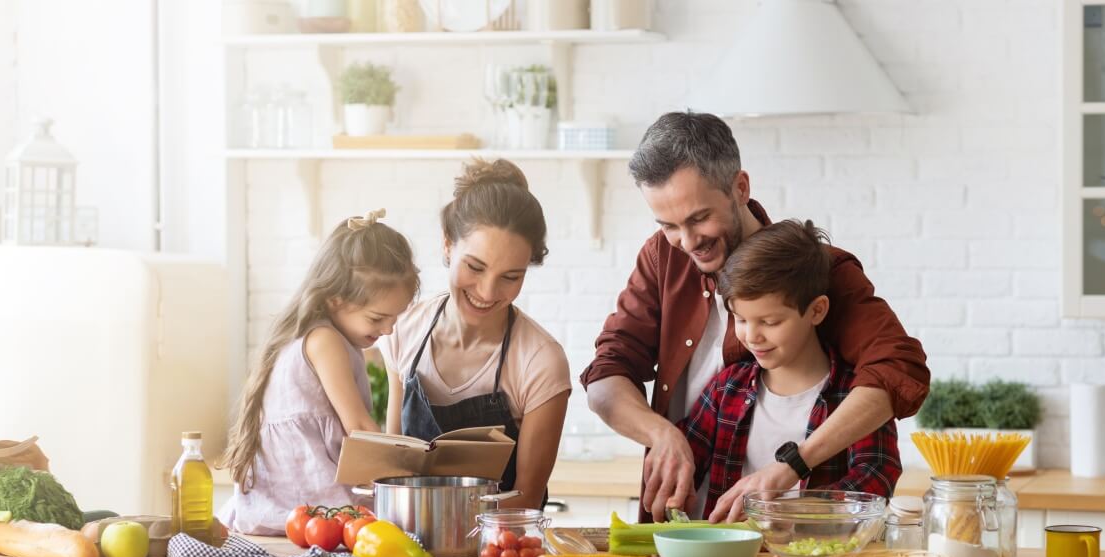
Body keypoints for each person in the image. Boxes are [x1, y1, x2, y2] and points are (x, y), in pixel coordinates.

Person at [581, 112, 929, 522]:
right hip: (693, 528)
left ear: (740, 187)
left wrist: (793, 468)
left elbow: (898, 368)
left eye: (698, 218)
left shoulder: (816, 270)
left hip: (799, 540)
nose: (687, 242)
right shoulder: (663, 257)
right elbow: (606, 374)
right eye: (668, 225)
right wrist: (661, 434)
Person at [679, 219, 901, 522]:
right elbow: (685, 463)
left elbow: (876, 477)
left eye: (770, 322)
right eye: (740, 319)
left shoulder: (855, 396)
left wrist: (787, 512)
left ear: (817, 310)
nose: (752, 336)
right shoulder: (726, 388)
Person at [381, 159, 571, 509]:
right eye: (475, 267)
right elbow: (392, 471)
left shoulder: (540, 360)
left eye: (510, 277)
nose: (487, 291)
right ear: (448, 244)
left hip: (499, 550)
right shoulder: (403, 330)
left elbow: (527, 499)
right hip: (407, 545)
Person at [217, 210, 419, 535]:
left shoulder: (320, 335)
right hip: (308, 503)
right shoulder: (325, 340)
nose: (388, 329)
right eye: (378, 318)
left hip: (286, 506)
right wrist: (403, 473)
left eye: (395, 318)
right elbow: (358, 426)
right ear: (335, 300)